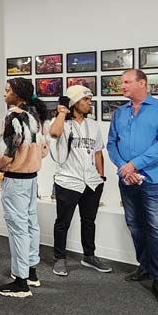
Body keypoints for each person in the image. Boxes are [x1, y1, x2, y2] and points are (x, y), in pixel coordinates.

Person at [107, 69, 158, 307]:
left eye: (127, 82)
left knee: (156, 228)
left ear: (142, 83)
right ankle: (145, 267)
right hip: (127, 179)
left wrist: (134, 165)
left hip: (154, 180)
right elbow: (111, 144)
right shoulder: (119, 112)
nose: (123, 86)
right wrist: (123, 168)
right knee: (135, 225)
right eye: (122, 82)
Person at [0, 78, 49, 297]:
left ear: (17, 93)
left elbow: (5, 151)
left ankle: (21, 282)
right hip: (32, 179)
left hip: (15, 180)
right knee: (31, 224)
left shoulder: (13, 116)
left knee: (18, 229)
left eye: (7, 91)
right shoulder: (37, 116)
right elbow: (44, 150)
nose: (4, 95)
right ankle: (31, 273)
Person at [48, 85, 112, 277]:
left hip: (92, 182)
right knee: (63, 223)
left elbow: (98, 152)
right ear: (75, 102)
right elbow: (54, 133)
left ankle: (89, 256)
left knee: (89, 221)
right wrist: (62, 112)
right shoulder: (61, 123)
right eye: (86, 100)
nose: (89, 103)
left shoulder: (93, 125)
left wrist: (101, 176)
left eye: (90, 100)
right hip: (68, 181)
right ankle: (60, 258)